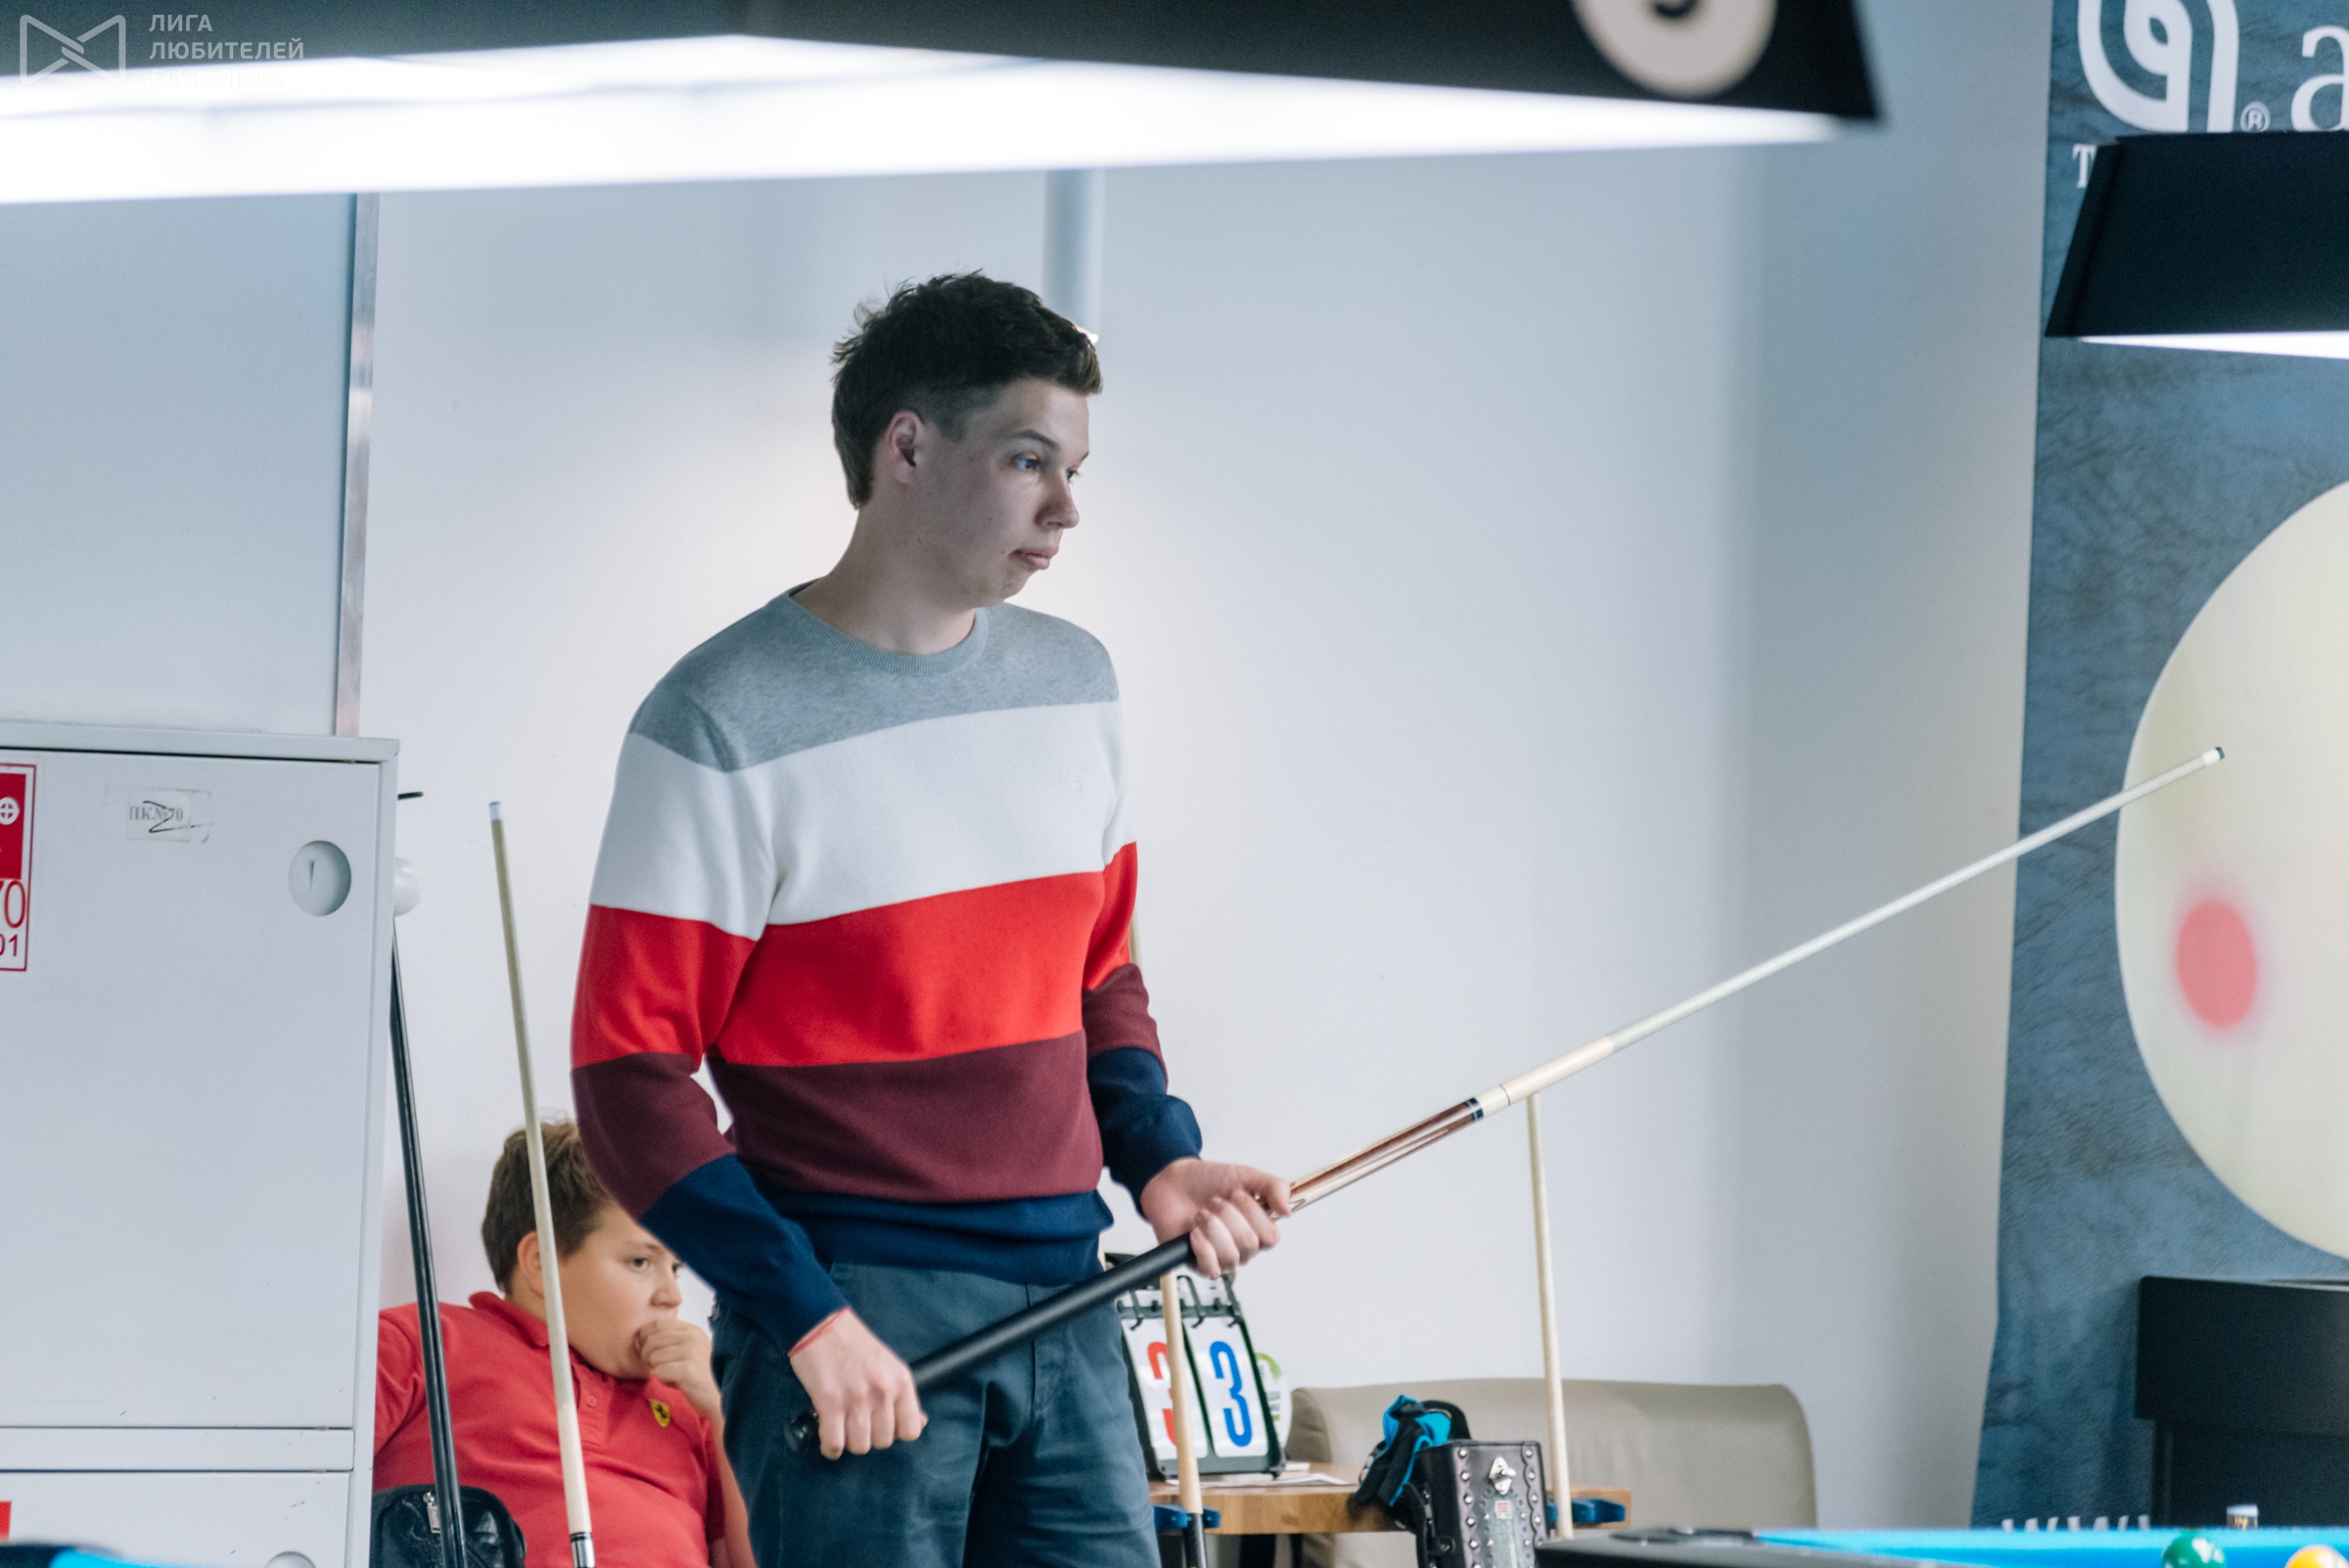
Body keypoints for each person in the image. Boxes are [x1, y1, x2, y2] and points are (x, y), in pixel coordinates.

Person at [570, 271, 1290, 1566]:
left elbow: (1099, 972)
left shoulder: (1075, 683)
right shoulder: (717, 718)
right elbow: (628, 1076)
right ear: (906, 446)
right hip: (859, 1316)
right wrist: (802, 1313)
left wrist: (1157, 1159)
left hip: (1073, 1293)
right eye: (1028, 459)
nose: (1066, 507)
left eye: (1073, 468)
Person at [375, 1121, 754, 1568]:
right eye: (640, 1261)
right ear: (540, 1263)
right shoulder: (421, 1343)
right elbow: (310, 1486)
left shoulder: (696, 1406)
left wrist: (726, 1411)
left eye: (675, 1268)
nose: (672, 1296)